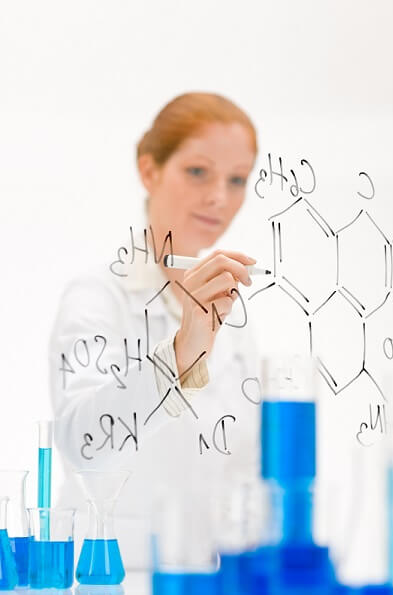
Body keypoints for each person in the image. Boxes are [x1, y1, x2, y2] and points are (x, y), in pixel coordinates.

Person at [49, 92, 262, 568]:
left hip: (203, 582)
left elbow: (243, 468)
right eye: (198, 171)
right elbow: (84, 443)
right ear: (149, 171)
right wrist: (182, 353)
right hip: (107, 581)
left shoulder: (231, 317)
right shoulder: (97, 295)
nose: (219, 197)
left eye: (237, 179)